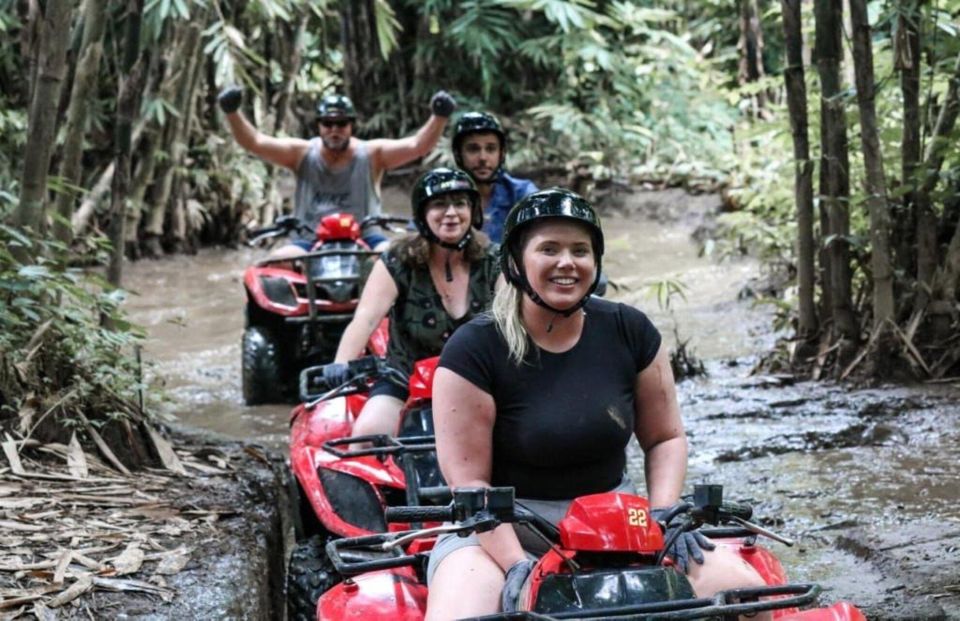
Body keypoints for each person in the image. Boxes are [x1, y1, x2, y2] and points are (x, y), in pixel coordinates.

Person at [426, 188, 771, 620]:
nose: (567, 263)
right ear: (516, 262)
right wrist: (516, 563)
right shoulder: (474, 349)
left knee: (752, 600)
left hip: (619, 521)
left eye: (580, 250)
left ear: (596, 262)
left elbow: (665, 437)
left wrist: (664, 512)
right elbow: (470, 485)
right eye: (548, 249)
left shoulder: (630, 330)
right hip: (500, 530)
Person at [322, 167, 501, 441]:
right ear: (422, 214)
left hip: (481, 380)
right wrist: (341, 362)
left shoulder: (494, 259)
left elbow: (518, 317)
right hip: (404, 378)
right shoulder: (398, 259)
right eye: (440, 204)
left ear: (472, 211)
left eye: (460, 203)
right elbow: (366, 318)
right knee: (365, 438)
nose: (451, 212)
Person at [217, 87, 457, 254]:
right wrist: (232, 112)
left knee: (393, 260)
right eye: (328, 124)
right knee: (275, 265)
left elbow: (417, 146)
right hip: (309, 240)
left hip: (366, 239)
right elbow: (255, 142)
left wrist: (439, 117)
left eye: (341, 124)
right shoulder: (301, 154)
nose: (335, 130)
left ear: (351, 126)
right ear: (319, 126)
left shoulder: (372, 154)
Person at [452, 111, 537, 243]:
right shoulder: (444, 193)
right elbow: (415, 235)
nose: (483, 158)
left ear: (501, 154)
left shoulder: (520, 193)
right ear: (458, 155)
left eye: (491, 149)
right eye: (473, 149)